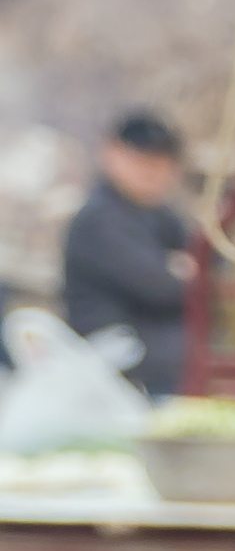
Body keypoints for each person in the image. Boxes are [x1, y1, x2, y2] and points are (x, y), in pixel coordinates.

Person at [61, 113, 194, 397]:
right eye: (141, 159)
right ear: (110, 154)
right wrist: (179, 271)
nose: (152, 170)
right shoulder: (99, 219)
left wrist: (185, 271)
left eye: (161, 162)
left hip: (165, 365)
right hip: (121, 372)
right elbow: (161, 287)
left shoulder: (161, 216)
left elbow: (215, 265)